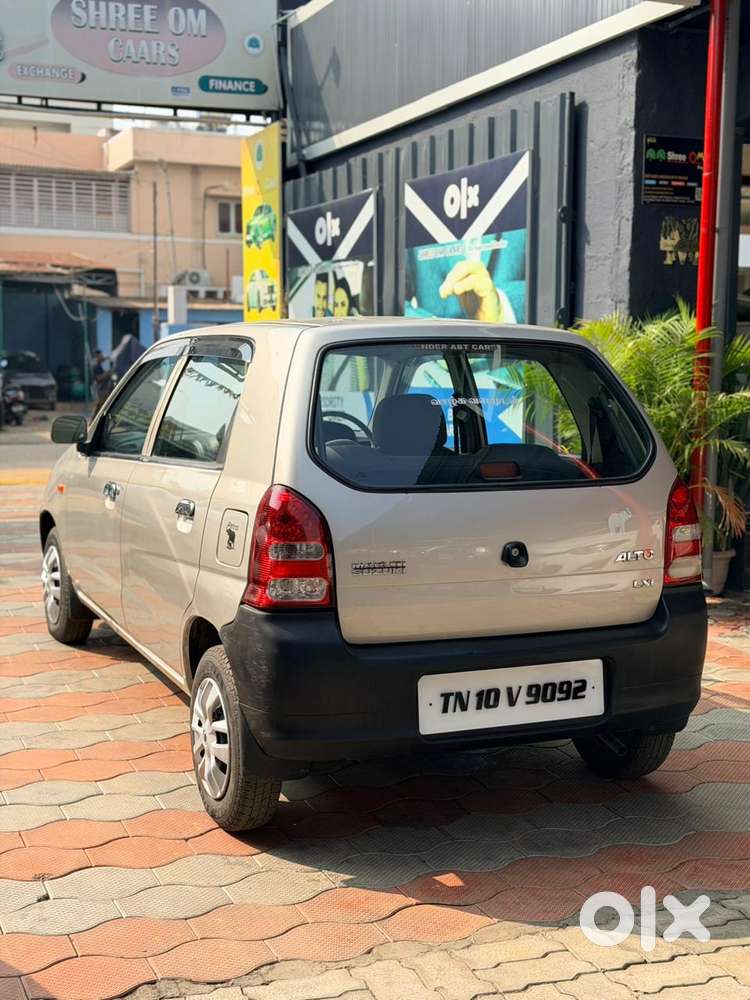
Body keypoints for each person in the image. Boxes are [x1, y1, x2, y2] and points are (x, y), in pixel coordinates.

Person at [91, 349, 112, 415]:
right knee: (100, 406)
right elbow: (98, 378)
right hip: (101, 389)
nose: (102, 356)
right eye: (100, 355)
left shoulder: (101, 364)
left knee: (103, 406)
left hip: (106, 388)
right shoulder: (95, 366)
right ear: (97, 356)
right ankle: (93, 420)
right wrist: (107, 373)